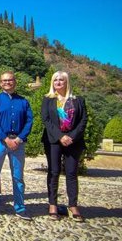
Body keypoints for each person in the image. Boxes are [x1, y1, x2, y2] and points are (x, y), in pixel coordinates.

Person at [0, 71, 34, 221]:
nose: (7, 82)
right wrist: (5, 139)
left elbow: (29, 121)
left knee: (18, 177)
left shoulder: (23, 101)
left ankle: (20, 207)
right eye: (4, 80)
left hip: (18, 143)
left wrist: (19, 139)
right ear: (0, 83)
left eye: (10, 80)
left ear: (15, 82)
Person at [41, 71, 88, 222]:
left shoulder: (78, 100)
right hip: (54, 141)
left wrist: (71, 137)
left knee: (72, 173)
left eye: (61, 80)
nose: (59, 82)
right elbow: (46, 120)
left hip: (74, 142)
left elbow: (83, 121)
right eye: (56, 80)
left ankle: (73, 205)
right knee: (54, 172)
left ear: (67, 82)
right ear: (52, 83)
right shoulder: (48, 100)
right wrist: (60, 136)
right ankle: (53, 204)